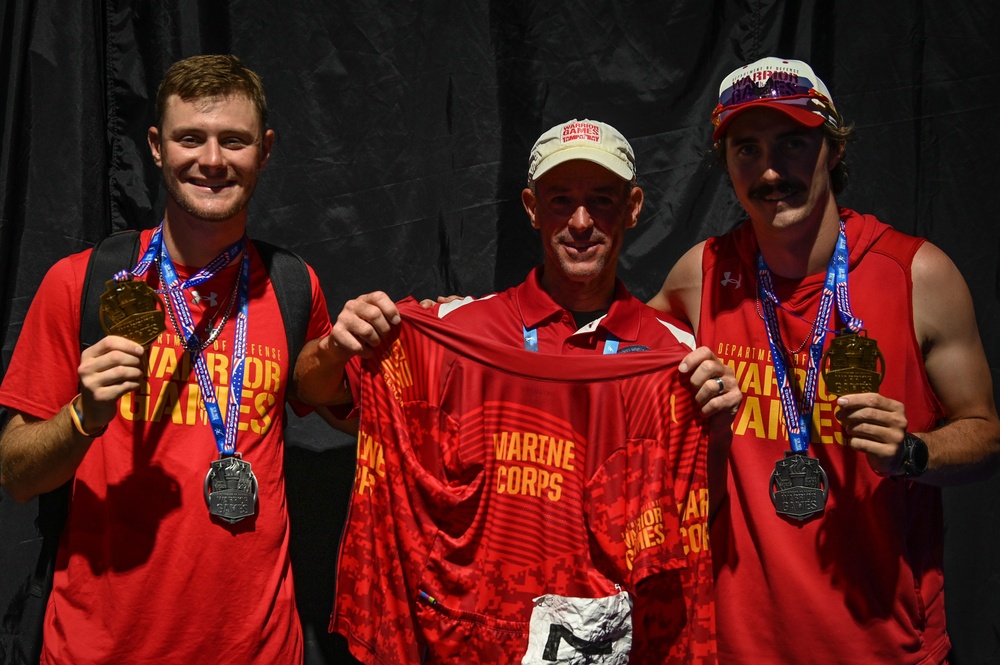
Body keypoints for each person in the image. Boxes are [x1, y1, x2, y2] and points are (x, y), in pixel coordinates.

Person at [294, 119, 736, 663]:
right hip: (468, 645)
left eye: (601, 200)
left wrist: (715, 428)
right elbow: (319, 394)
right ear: (530, 207)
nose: (580, 222)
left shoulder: (676, 357)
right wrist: (337, 346)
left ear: (633, 207)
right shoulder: (458, 331)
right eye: (559, 201)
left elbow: (697, 520)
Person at [648, 56, 1000, 664]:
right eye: (747, 150)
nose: (770, 171)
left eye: (791, 144)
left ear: (834, 150)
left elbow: (987, 435)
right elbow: (606, 359)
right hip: (736, 649)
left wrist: (914, 452)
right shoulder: (701, 276)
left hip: (885, 647)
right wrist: (465, 321)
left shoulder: (918, 275)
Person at [0, 54, 332, 664]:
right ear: (155, 147)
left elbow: (340, 409)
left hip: (256, 651)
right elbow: (15, 475)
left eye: (234, 140)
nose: (211, 160)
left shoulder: (292, 286)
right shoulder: (81, 283)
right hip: (101, 651)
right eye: (190, 138)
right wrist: (83, 416)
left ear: (265, 149)